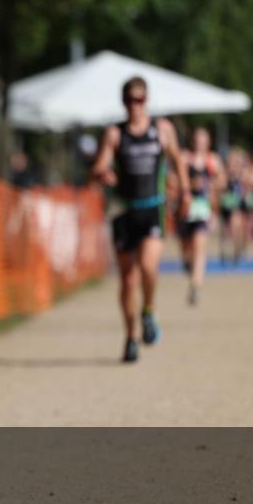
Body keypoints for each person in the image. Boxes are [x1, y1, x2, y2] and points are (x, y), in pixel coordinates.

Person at [91, 76, 189, 363]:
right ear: (124, 103)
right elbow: (100, 163)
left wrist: (184, 193)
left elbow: (178, 160)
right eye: (131, 101)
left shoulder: (162, 129)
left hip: (153, 207)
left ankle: (149, 310)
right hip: (124, 211)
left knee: (147, 266)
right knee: (127, 279)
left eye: (141, 100)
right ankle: (131, 336)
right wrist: (101, 172)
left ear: (147, 101)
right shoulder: (114, 133)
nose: (136, 106)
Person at [178, 127, 226, 305]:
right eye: (197, 140)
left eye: (203, 140)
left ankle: (195, 286)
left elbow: (223, 181)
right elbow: (173, 178)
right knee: (186, 249)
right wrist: (189, 184)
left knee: (199, 247)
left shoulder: (213, 160)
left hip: (204, 209)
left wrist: (210, 184)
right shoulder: (184, 158)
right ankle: (189, 268)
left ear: (208, 142)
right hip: (184, 210)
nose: (200, 144)